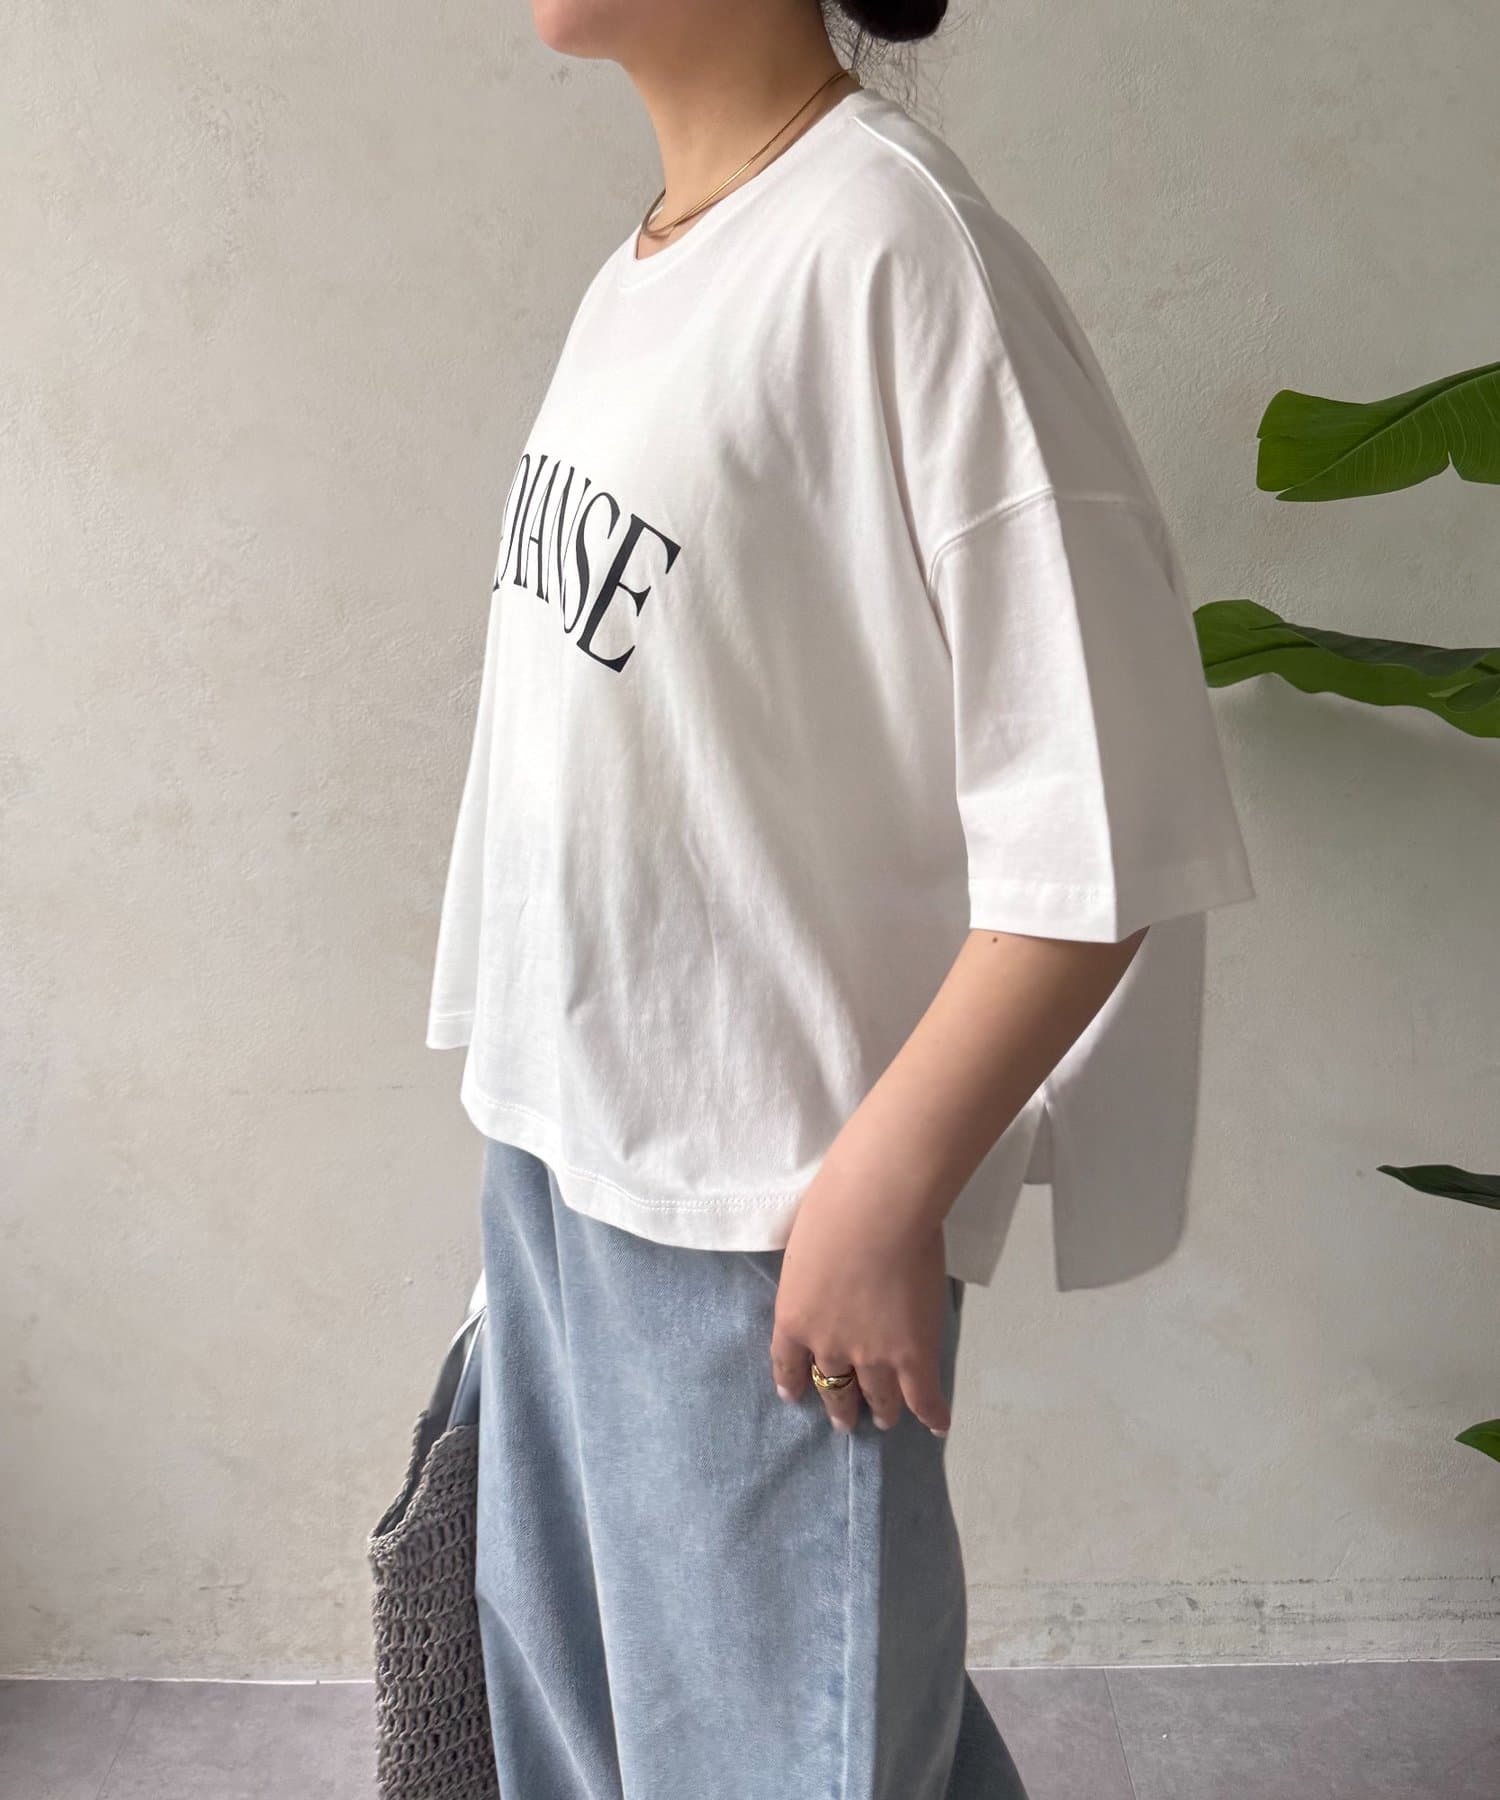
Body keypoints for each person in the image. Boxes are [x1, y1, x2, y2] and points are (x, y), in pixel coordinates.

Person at [424, 1, 1256, 1794]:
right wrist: (525, 1141)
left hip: (766, 1209)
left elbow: (1097, 817)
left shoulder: (896, 249)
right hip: (574, 1158)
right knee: (635, 1744)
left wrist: (884, 1188)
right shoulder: (652, 267)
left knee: (781, 1756)